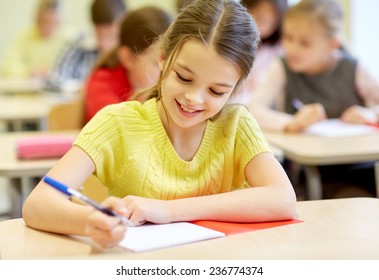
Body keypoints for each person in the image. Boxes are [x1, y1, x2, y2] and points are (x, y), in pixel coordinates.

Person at [22, 0, 296, 249]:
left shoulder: (236, 124)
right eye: (184, 78)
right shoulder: (117, 123)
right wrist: (90, 221)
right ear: (163, 59)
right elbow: (37, 204)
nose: (194, 98)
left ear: (236, 87)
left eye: (216, 91)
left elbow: (283, 199)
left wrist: (169, 210)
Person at [249, 0, 379, 198]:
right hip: (306, 173)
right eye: (288, 37)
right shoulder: (282, 67)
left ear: (332, 45)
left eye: (305, 43)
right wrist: (292, 123)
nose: (292, 48)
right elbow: (253, 108)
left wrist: (368, 113)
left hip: (358, 168)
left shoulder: (354, 68)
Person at [84, 6, 173, 123]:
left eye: (172, 63)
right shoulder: (102, 82)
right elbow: (115, 127)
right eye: (156, 63)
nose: (166, 71)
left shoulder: (170, 86)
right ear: (128, 58)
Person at [44, 0, 127, 92]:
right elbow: (53, 79)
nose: (104, 44)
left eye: (111, 35)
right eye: (99, 34)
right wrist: (85, 88)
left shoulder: (129, 52)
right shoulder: (77, 44)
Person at [0, 0, 77, 80]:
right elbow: (8, 67)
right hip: (25, 90)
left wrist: (52, 72)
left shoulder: (72, 39)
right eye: (43, 21)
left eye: (52, 22)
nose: (46, 26)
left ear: (60, 21)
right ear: (36, 18)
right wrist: (30, 71)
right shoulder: (23, 36)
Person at [236, 0, 288, 104]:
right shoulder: (230, 39)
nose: (264, 27)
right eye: (260, 18)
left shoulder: (276, 50)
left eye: (272, 24)